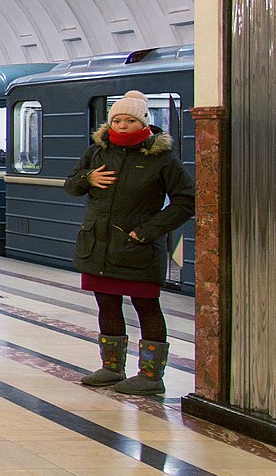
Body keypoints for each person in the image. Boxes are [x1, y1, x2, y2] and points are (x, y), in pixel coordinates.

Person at [66, 90, 195, 397]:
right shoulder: (97, 151)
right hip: (98, 244)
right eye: (117, 120)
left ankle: (151, 376)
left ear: (144, 123)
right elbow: (71, 185)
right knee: (106, 303)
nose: (122, 126)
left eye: (130, 120)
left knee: (146, 306)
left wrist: (148, 231)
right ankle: (112, 368)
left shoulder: (161, 158)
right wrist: (87, 179)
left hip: (138, 248)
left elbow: (186, 201)